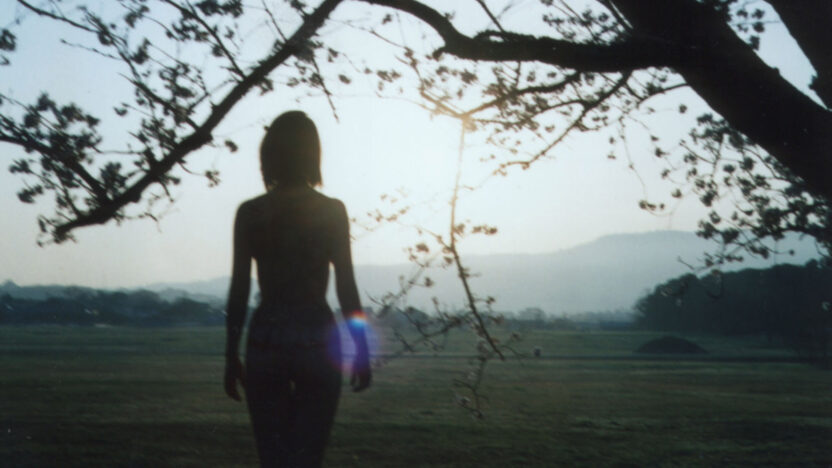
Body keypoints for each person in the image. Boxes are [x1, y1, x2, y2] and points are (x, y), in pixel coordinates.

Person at [223, 111, 371, 468]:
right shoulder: (332, 211)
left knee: (273, 457)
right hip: (317, 334)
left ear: (268, 154)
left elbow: (239, 288)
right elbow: (346, 284)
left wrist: (231, 355)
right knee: (309, 456)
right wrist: (361, 348)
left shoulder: (251, 213)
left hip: (267, 336)